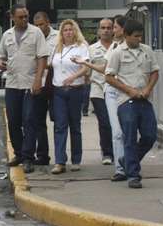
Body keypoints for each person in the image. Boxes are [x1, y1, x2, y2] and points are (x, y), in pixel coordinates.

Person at [105, 19, 159, 189]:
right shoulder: (117, 53)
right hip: (126, 101)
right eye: (136, 36)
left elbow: (155, 72)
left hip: (144, 99)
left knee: (150, 136)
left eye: (141, 36)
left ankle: (126, 161)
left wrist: (148, 88)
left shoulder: (147, 51)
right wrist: (129, 90)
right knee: (129, 137)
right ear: (126, 36)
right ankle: (133, 175)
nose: (139, 39)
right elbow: (109, 77)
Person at [0, 3, 51, 174]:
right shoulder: (7, 35)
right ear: (12, 17)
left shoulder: (36, 33)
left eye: (26, 16)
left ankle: (28, 157)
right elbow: (0, 56)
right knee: (13, 120)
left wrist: (38, 80)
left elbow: (42, 57)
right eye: (20, 17)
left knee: (29, 120)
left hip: (30, 83)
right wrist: (0, 63)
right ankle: (19, 154)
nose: (24, 19)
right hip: (12, 83)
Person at [50, 19, 89, 174]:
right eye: (65, 30)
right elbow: (50, 65)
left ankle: (76, 160)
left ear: (75, 31)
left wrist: (73, 77)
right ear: (61, 33)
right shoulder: (57, 48)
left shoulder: (81, 47)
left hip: (75, 90)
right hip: (58, 91)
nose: (68, 32)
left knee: (75, 125)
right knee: (60, 126)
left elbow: (86, 68)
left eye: (70, 29)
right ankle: (60, 161)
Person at [75, 19, 114, 165]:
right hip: (98, 89)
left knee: (117, 122)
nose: (106, 30)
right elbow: (86, 70)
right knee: (105, 122)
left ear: (113, 30)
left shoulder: (118, 47)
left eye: (109, 28)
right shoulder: (91, 49)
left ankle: (119, 150)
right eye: (103, 28)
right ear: (98, 30)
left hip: (116, 88)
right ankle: (107, 153)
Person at [32, 11, 58, 170]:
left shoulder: (59, 36)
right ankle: (42, 155)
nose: (39, 28)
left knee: (58, 121)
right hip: (39, 83)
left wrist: (47, 64)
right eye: (36, 25)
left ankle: (61, 157)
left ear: (48, 22)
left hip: (56, 83)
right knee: (38, 121)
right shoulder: (32, 37)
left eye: (41, 24)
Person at [104, 15, 127, 181]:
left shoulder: (135, 47)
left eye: (115, 27)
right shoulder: (113, 46)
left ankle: (130, 164)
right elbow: (105, 69)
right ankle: (120, 169)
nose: (113, 30)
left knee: (130, 132)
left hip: (129, 93)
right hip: (112, 92)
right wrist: (86, 64)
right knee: (117, 132)